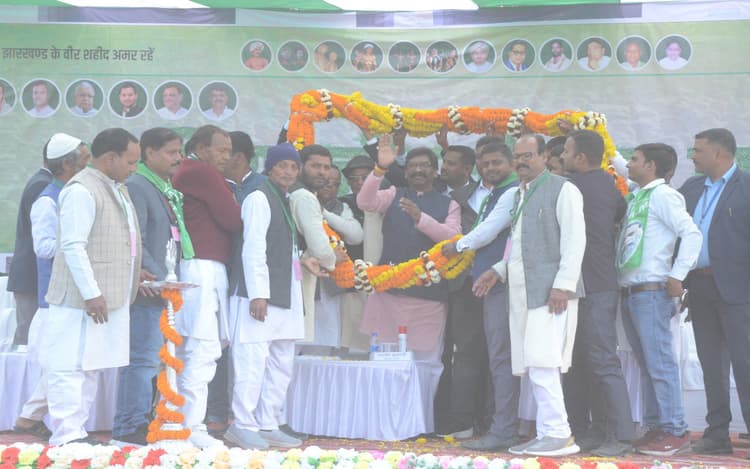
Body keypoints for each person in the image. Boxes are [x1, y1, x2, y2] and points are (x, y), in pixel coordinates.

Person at [42, 128, 142, 446]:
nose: (134, 168)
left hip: (104, 297)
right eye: (130, 161)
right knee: (70, 366)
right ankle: (66, 435)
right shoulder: (81, 190)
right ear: (110, 158)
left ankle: (77, 432)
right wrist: (92, 293)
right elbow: (73, 246)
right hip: (80, 300)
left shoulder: (115, 186)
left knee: (90, 366)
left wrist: (134, 272)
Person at [357, 136, 462, 393]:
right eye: (412, 165)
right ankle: (382, 411)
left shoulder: (449, 204)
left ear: (435, 171)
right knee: (383, 358)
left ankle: (420, 414)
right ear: (405, 172)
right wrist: (380, 169)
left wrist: (420, 218)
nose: (418, 170)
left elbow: (453, 238)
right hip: (388, 293)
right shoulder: (394, 194)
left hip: (428, 297)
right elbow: (365, 202)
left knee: (426, 362)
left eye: (424, 165)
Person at [224, 143, 310, 449]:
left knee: (281, 362)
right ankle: (243, 424)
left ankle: (268, 422)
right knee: (252, 361)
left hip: (285, 294)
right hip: (259, 296)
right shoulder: (259, 197)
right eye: (282, 165)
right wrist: (258, 294)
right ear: (270, 167)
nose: (288, 172)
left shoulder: (283, 198)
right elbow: (253, 247)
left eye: (294, 167)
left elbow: (283, 249)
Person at [617, 143, 701, 457]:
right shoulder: (640, 195)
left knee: (660, 364)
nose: (628, 164)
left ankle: (675, 430)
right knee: (647, 365)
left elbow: (691, 233)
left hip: (651, 292)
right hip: (633, 292)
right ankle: (657, 426)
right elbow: (617, 163)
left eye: (635, 160)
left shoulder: (664, 195)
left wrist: (678, 275)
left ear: (651, 166)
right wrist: (598, 132)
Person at [558, 130, 633, 457]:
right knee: (581, 362)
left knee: (600, 360)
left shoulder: (571, 187)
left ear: (581, 157)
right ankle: (593, 431)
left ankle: (620, 435)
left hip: (592, 284)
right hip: (591, 283)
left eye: (566, 151)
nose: (562, 156)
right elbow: (619, 213)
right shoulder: (608, 183)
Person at [440, 142, 520, 447]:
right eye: (485, 164)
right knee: (495, 356)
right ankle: (499, 426)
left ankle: (503, 429)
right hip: (490, 281)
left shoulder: (512, 192)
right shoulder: (497, 192)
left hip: (502, 281)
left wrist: (457, 246)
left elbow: (488, 230)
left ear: (511, 163)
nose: (490, 168)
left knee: (501, 357)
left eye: (496, 162)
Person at [110, 127, 186, 447]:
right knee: (141, 360)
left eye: (179, 151)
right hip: (147, 289)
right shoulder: (139, 186)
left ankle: (142, 421)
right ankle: (130, 426)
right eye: (171, 152)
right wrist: (158, 276)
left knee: (151, 360)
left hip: (162, 289)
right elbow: (136, 239)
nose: (178, 158)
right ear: (150, 153)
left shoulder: (162, 187)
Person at [12, 133, 90, 441]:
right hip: (52, 296)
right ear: (67, 164)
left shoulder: (72, 193)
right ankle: (32, 418)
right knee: (60, 363)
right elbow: (43, 247)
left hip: (71, 293)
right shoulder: (47, 199)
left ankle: (29, 416)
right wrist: (78, 246)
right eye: (84, 160)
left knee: (68, 361)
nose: (88, 166)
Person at [679, 128, 750, 457]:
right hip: (700, 286)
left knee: (745, 363)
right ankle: (717, 433)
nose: (692, 156)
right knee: (711, 364)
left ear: (719, 153)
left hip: (739, 289)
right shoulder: (692, 187)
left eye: (698, 150)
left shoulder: (746, 186)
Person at [172, 125, 242, 448]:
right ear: (201, 149)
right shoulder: (201, 172)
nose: (227, 157)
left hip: (198, 267)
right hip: (202, 267)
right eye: (221, 150)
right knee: (201, 349)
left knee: (191, 349)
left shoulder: (191, 170)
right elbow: (233, 219)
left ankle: (181, 422)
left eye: (229, 151)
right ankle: (191, 426)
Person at [208, 130, 266, 435]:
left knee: (249, 355)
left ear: (239, 157)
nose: (219, 158)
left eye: (224, 152)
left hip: (250, 287)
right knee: (214, 346)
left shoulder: (262, 188)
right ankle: (215, 412)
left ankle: (248, 419)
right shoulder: (213, 185)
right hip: (219, 277)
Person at [7, 143, 54, 351]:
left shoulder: (42, 181)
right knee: (27, 339)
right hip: (32, 275)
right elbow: (42, 237)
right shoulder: (42, 184)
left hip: (35, 275)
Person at [290, 145, 338, 344]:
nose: (322, 172)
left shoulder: (299, 193)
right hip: (299, 269)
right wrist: (334, 259)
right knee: (291, 341)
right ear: (300, 167)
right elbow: (319, 248)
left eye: (326, 167)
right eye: (315, 166)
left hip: (296, 265)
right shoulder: (304, 196)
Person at [314, 165, 363, 350]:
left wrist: (323, 213)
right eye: (326, 182)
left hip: (330, 281)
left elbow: (356, 236)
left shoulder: (340, 207)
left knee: (328, 335)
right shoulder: (299, 200)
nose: (330, 186)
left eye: (335, 184)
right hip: (303, 275)